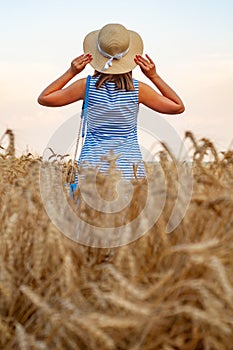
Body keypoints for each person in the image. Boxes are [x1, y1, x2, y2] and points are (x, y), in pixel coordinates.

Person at [38, 23, 185, 182]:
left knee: (88, 207)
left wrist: (71, 72)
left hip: (91, 169)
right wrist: (154, 76)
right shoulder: (138, 90)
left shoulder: (85, 87)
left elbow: (45, 98)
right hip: (130, 171)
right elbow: (177, 106)